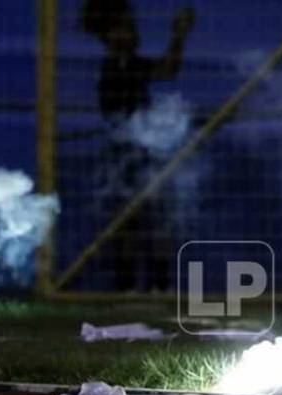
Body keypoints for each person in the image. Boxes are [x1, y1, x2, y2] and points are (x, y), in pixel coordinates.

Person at [81, 0, 196, 291]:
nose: (134, 32)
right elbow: (165, 70)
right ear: (110, 34)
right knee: (134, 224)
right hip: (130, 159)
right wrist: (179, 35)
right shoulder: (118, 66)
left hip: (139, 157)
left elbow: (164, 71)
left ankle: (152, 285)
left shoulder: (123, 64)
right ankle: (134, 286)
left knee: (151, 222)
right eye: (126, 27)